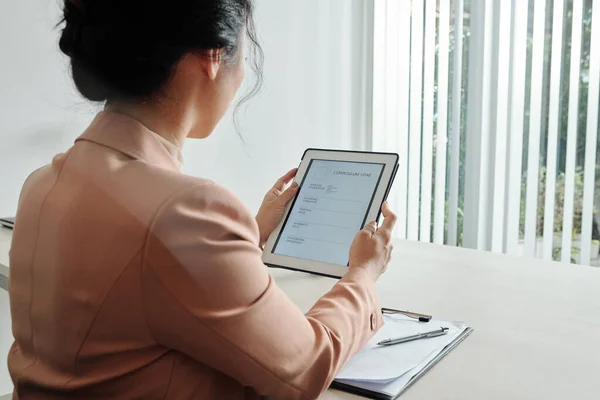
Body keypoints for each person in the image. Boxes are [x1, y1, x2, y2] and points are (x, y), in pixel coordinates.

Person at [7, 0, 396, 399]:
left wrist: (250, 233)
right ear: (212, 57)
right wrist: (363, 274)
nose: (243, 74)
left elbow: (136, 276)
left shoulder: (42, 184)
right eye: (243, 55)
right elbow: (305, 367)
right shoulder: (184, 211)